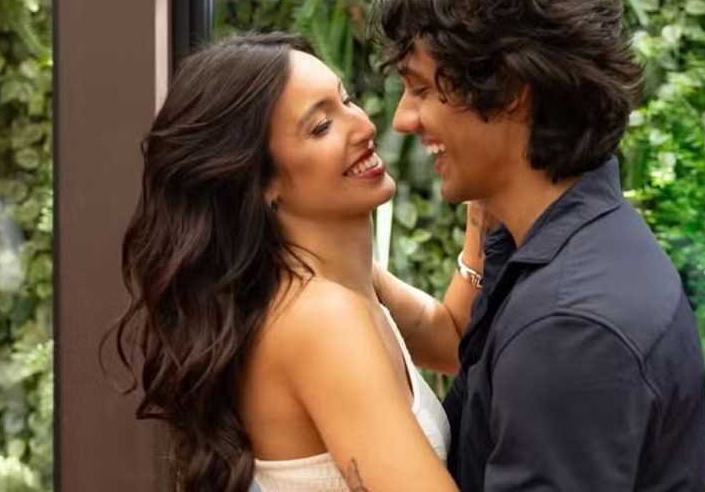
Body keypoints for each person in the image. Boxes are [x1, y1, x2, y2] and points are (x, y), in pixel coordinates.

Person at [372, 0, 705, 491]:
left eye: (423, 89)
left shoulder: (568, 328)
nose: (403, 120)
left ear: (509, 91)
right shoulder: (556, 245)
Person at [110, 32, 484, 492]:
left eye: (347, 100)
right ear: (261, 182)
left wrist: (484, 192)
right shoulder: (322, 316)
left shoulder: (341, 283)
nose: (364, 126)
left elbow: (454, 339)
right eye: (321, 126)